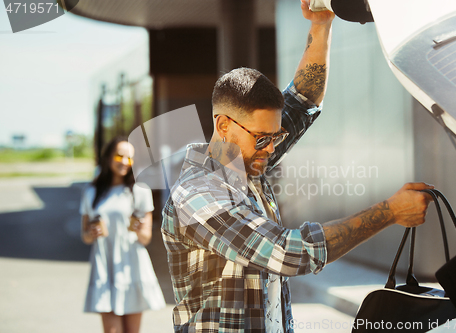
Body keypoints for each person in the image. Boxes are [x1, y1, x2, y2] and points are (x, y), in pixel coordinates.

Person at [161, 1, 433, 332]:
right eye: (262, 138)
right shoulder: (198, 196)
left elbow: (303, 99)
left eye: (274, 136)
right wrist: (388, 212)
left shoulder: (247, 162)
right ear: (223, 126)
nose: (272, 148)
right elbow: (289, 253)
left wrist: (320, 25)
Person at [80, 136, 166, 333]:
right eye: (120, 156)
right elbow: (85, 236)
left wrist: (138, 228)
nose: (125, 162)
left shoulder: (140, 191)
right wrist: (91, 233)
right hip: (105, 265)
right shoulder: (91, 192)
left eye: (130, 158)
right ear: (109, 157)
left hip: (131, 265)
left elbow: (146, 239)